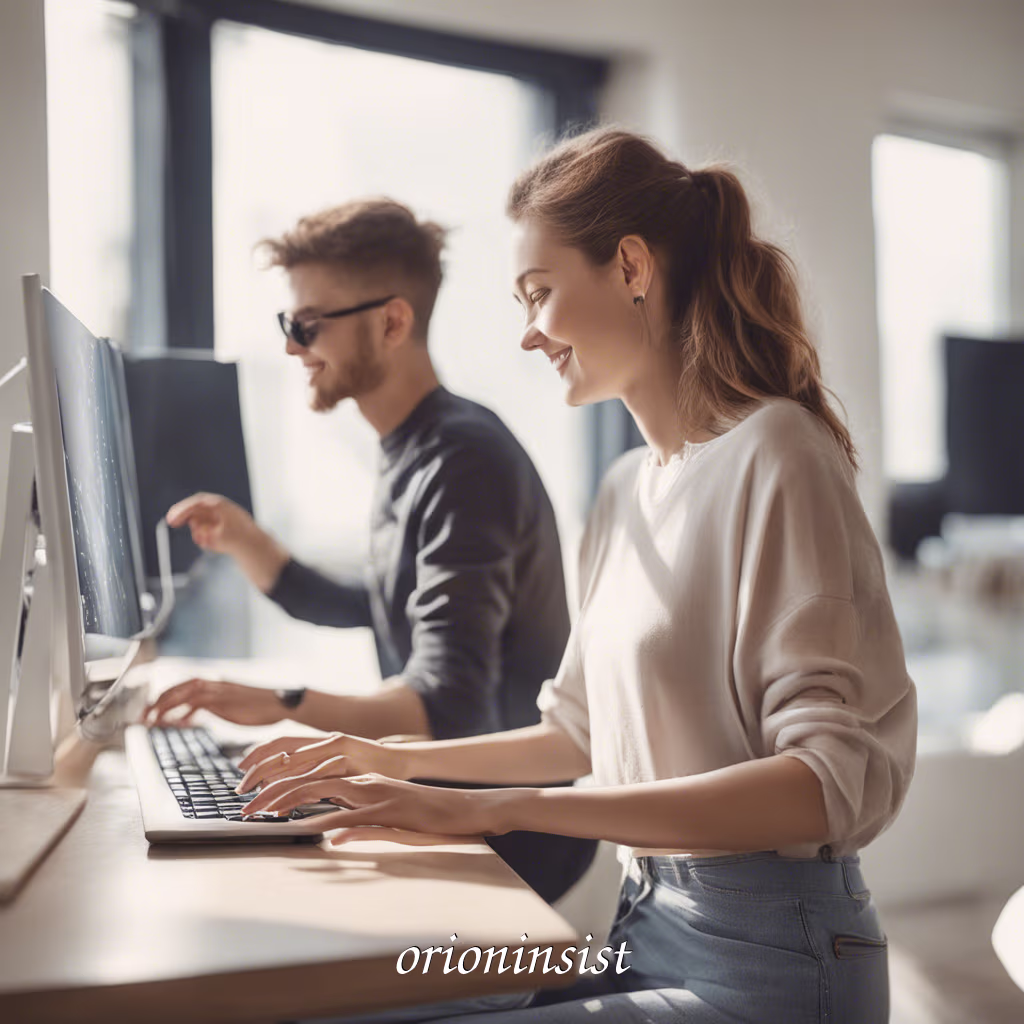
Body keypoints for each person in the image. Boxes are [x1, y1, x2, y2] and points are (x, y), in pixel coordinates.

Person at [234, 129, 918, 1024]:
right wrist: (384, 760)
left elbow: (823, 785)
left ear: (631, 267)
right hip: (644, 923)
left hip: (772, 961)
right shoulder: (625, 489)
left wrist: (498, 809)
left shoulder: (778, 451)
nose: (528, 335)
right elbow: (575, 734)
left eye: (540, 294)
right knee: (354, 1004)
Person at [145, 198, 596, 906]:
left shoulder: (463, 460)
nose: (292, 347)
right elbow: (380, 603)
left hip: (502, 840)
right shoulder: (417, 448)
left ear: (391, 322)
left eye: (307, 325)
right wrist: (250, 543)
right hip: (445, 805)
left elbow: (445, 705)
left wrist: (285, 704)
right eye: (288, 324)